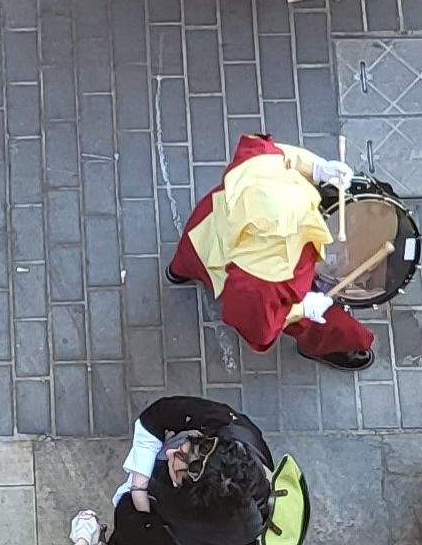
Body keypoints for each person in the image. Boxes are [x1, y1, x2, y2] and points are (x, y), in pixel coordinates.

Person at [168, 134, 376, 369]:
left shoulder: (260, 175)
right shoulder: (261, 281)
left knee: (188, 259)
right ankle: (325, 344)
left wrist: (317, 168)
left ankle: (178, 272)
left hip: (205, 232)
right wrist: (302, 308)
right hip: (247, 279)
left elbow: (281, 156)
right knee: (326, 323)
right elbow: (259, 327)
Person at [81, 397, 282, 545]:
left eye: (177, 470)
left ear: (188, 499)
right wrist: (139, 488)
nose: (169, 452)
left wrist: (83, 539)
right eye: (185, 446)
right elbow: (160, 414)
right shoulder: (235, 429)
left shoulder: (162, 536)